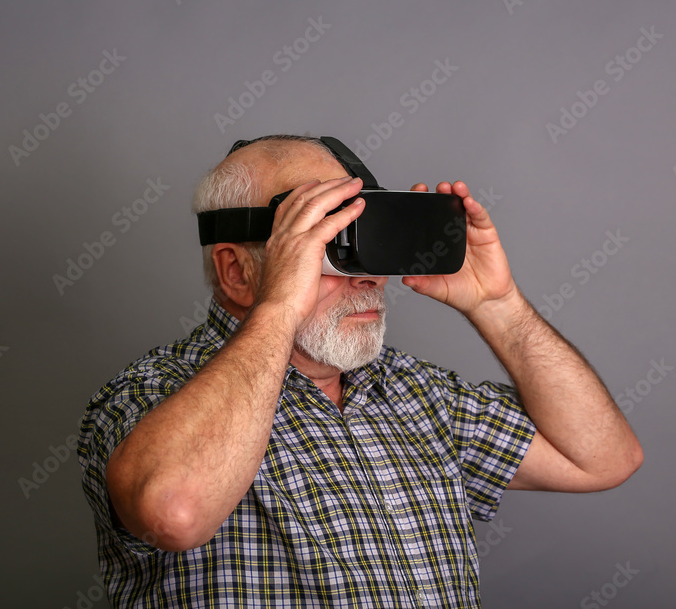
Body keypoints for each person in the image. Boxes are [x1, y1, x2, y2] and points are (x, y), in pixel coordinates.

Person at [77, 134, 643, 608]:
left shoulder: (418, 394)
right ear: (237, 272)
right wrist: (280, 306)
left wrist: (498, 306)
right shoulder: (149, 393)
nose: (369, 275)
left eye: (369, 241)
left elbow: (602, 458)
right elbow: (174, 513)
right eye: (329, 244)